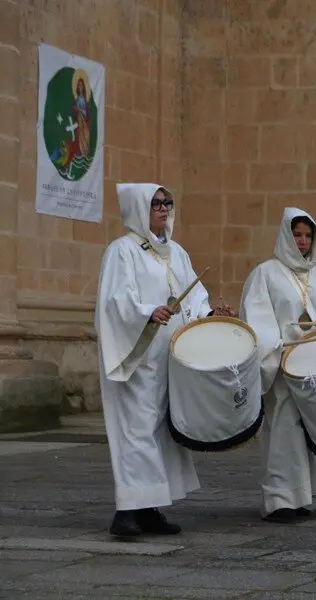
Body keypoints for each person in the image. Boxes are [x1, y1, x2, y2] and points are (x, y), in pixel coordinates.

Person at [96, 183, 235, 538]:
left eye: (167, 203)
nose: (163, 209)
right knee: (136, 431)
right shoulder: (122, 251)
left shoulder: (177, 252)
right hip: (138, 355)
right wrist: (148, 311)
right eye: (155, 203)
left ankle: (150, 508)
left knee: (160, 433)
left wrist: (209, 312)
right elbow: (115, 302)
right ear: (137, 209)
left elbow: (194, 297)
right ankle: (127, 510)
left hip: (169, 357)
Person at [239, 208, 316, 523]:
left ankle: (302, 496)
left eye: (307, 235)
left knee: (309, 430)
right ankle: (279, 499)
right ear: (286, 236)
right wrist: (280, 349)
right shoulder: (266, 273)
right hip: (284, 367)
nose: (302, 241)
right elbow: (256, 319)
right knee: (283, 432)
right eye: (297, 235)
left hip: (313, 365)